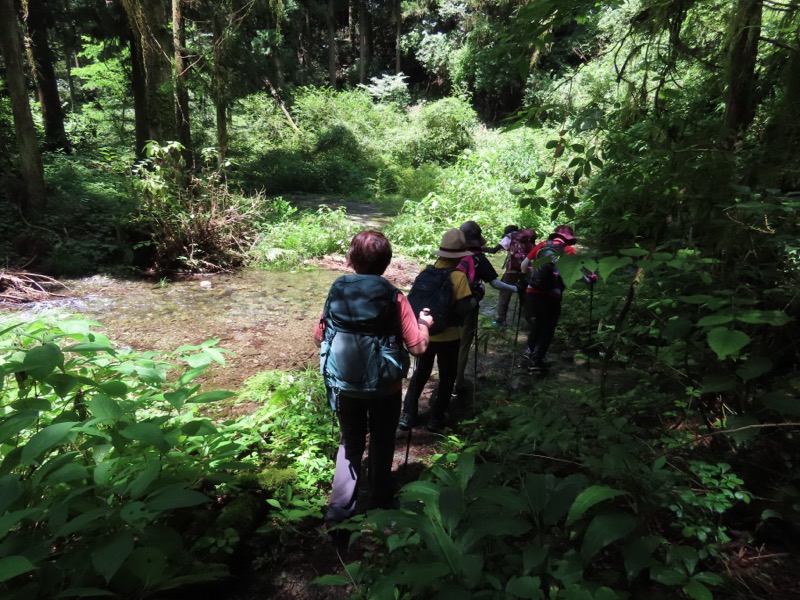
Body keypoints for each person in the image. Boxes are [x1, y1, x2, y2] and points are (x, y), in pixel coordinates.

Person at [314, 230, 432, 525]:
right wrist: (424, 323)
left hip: (345, 387)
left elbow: (319, 338)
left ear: (351, 260)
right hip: (385, 388)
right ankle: (380, 501)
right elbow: (417, 347)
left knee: (350, 444)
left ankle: (339, 511)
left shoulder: (338, 289)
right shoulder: (394, 296)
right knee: (382, 441)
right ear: (387, 262)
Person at [399, 228, 476, 433]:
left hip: (425, 333)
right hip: (450, 337)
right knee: (447, 377)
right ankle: (436, 418)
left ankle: (408, 415)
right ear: (459, 256)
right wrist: (475, 296)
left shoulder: (426, 273)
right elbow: (465, 308)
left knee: (420, 373)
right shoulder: (459, 277)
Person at [454, 221, 519, 398]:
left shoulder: (450, 254)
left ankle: (446, 378)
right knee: (463, 345)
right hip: (467, 306)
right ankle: (458, 382)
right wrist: (515, 289)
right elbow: (495, 284)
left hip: (447, 306)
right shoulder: (478, 259)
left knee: (449, 343)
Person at [519, 225, 593, 373]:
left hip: (532, 292)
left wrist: (531, 277)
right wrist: (589, 280)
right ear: (568, 239)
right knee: (547, 328)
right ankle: (536, 361)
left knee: (537, 324)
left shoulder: (542, 245)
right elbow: (576, 273)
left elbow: (523, 265)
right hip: (551, 295)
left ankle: (526, 356)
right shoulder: (569, 250)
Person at [493, 228, 536, 327]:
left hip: (512, 271)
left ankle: (500, 319)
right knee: (526, 293)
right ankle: (530, 319)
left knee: (505, 293)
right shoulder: (528, 238)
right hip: (527, 270)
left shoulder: (509, 237)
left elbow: (494, 250)